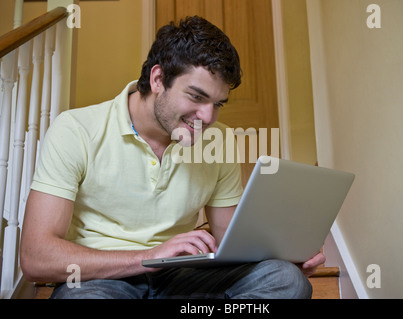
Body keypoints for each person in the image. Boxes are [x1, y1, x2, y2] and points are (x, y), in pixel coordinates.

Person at [20, 16, 325, 299]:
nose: (207, 117)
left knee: (285, 279)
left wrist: (286, 255)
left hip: (181, 276)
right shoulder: (76, 130)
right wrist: (148, 258)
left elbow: (232, 243)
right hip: (100, 279)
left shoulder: (219, 140)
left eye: (218, 103)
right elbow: (36, 257)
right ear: (157, 79)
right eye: (196, 96)